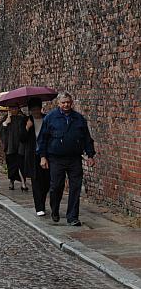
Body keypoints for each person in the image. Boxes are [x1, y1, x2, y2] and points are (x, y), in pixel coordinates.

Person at [37, 92, 96, 226]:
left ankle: (72, 217)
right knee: (56, 186)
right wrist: (42, 156)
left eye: (68, 102)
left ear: (71, 102)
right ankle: (55, 209)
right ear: (58, 103)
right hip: (56, 158)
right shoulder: (51, 118)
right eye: (63, 103)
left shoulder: (79, 119)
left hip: (74, 158)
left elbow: (86, 138)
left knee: (75, 187)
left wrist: (90, 155)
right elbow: (42, 139)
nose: (66, 105)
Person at [21, 98, 50, 216]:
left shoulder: (47, 119)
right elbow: (21, 139)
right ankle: (39, 207)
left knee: (47, 181)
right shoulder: (26, 120)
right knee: (36, 181)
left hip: (46, 154)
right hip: (33, 155)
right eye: (33, 110)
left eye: (37, 109)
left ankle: (42, 201)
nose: (35, 112)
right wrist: (27, 128)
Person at [0, 107, 28, 190]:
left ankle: (23, 182)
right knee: (11, 165)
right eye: (11, 109)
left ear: (18, 109)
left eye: (15, 108)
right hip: (10, 146)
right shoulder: (6, 118)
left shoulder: (22, 118)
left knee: (21, 164)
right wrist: (6, 123)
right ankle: (12, 181)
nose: (13, 110)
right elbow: (0, 130)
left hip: (20, 145)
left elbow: (27, 129)